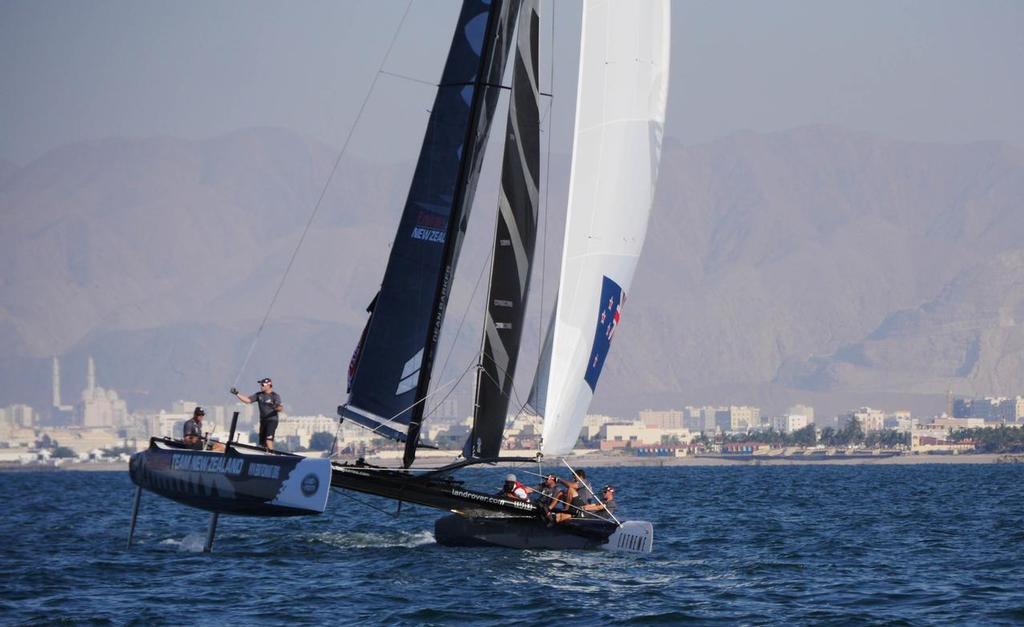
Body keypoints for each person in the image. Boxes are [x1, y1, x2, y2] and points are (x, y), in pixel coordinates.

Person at [231, 377, 283, 450]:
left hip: (272, 420)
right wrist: (237, 394)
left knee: (268, 440)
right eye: (261, 385)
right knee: (262, 443)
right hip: (263, 421)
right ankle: (264, 455)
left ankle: (272, 455)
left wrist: (274, 407)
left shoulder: (275, 396)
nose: (261, 386)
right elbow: (248, 400)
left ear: (269, 385)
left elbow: (280, 408)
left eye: (262, 385)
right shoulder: (259, 395)